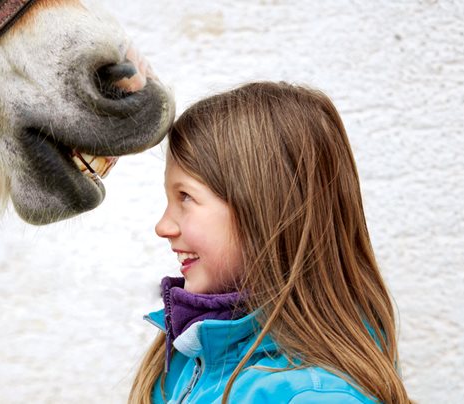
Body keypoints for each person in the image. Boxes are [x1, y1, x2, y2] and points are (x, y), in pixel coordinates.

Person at [128, 82, 411, 403]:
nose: (163, 227)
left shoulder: (314, 396)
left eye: (185, 197)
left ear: (266, 208)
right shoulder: (184, 356)